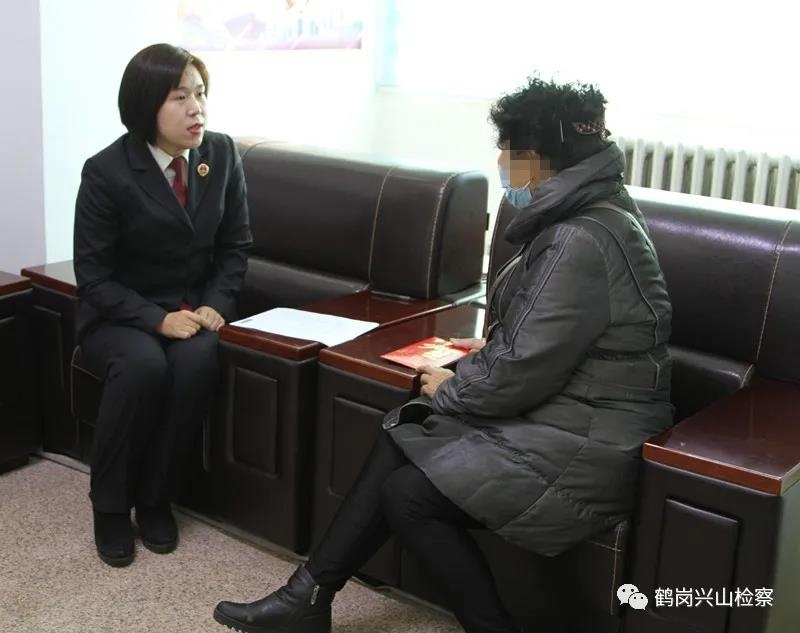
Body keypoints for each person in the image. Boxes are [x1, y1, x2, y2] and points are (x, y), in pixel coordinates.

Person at [213, 76, 673, 633]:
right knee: (402, 434)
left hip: (590, 444)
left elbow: (519, 372)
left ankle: (329, 602)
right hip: (570, 418)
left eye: (508, 151)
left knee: (409, 491)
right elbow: (558, 337)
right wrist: (497, 346)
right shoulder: (594, 213)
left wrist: (453, 387)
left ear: (539, 158)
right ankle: (306, 598)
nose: (501, 164)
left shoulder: (579, 237)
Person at [73, 43, 252, 568]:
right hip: (119, 315)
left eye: (201, 93)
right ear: (146, 105)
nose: (197, 109)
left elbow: (235, 246)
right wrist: (157, 319)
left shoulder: (220, 154)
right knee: (142, 365)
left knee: (198, 361)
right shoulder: (107, 171)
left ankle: (156, 497)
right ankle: (110, 505)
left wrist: (216, 304)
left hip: (192, 312)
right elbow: (93, 277)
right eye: (180, 97)